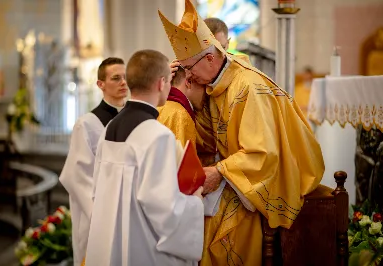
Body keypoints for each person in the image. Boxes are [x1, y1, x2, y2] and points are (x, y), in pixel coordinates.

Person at [159, 1, 325, 265]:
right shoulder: (215, 82)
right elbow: (207, 136)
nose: (188, 76)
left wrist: (219, 171)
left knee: (217, 234)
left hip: (263, 180)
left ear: (211, 58)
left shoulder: (248, 88)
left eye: (189, 69)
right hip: (236, 178)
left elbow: (262, 154)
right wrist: (171, 92)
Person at [84, 49, 205, 266]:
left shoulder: (111, 127)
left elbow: (97, 191)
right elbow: (163, 208)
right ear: (161, 83)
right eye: (168, 82)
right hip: (140, 246)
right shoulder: (157, 135)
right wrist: (195, 202)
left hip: (108, 243)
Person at [59, 57, 127, 266]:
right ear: (101, 84)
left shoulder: (133, 120)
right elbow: (76, 175)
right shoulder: (87, 124)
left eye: (125, 77)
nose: (123, 83)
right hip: (98, 214)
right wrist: (102, 210)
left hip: (126, 210)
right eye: (116, 78)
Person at [157, 65, 206, 147]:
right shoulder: (180, 115)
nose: (207, 92)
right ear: (189, 82)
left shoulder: (156, 107)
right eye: (204, 85)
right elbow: (183, 159)